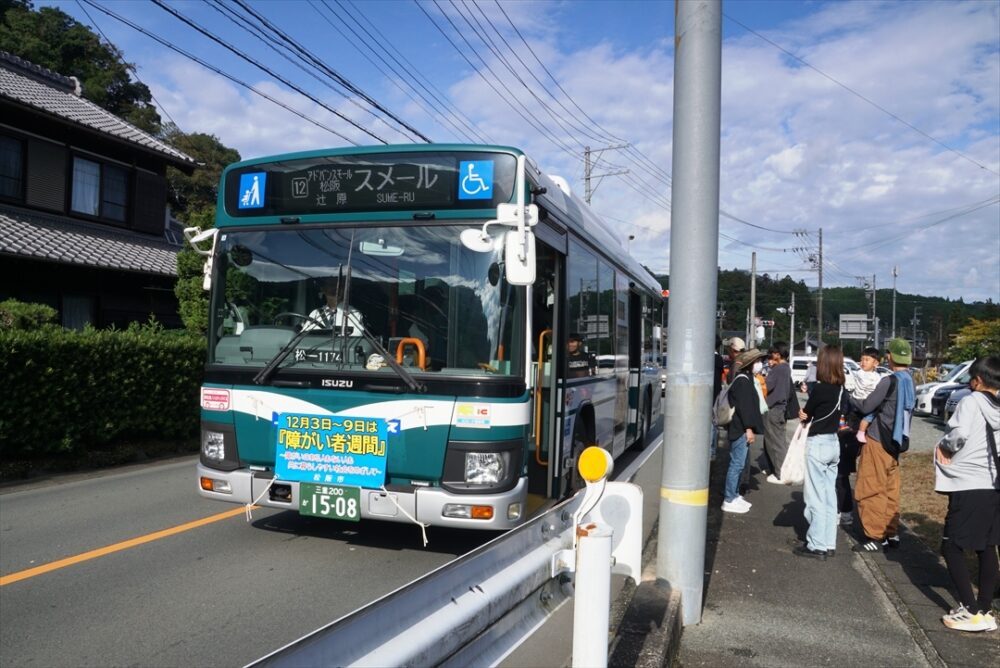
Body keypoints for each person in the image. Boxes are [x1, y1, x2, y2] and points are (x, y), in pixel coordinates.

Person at [934, 356, 1000, 633]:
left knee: (952, 546)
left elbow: (957, 435)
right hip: (994, 485)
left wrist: (945, 447)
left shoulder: (971, 401)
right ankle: (985, 609)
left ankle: (970, 609)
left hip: (968, 482)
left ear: (977, 380)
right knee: (986, 547)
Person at [849, 338, 915, 553]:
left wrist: (851, 399)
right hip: (896, 443)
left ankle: (874, 536)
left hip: (879, 439)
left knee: (870, 487)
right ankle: (891, 532)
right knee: (890, 489)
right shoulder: (910, 380)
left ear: (889, 356)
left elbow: (868, 404)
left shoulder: (889, 381)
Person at [794, 344, 848, 560]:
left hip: (817, 444)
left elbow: (806, 414)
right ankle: (828, 542)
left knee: (815, 496)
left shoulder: (820, 389)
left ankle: (816, 545)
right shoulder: (841, 388)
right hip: (834, 444)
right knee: (828, 496)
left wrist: (802, 413)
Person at [837, 347, 881, 526]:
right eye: (862, 359)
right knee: (843, 471)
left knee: (849, 471)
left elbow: (871, 407)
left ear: (876, 363)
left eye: (868, 360)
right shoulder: (853, 378)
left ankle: (848, 511)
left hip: (866, 428)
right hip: (850, 426)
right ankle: (844, 510)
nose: (863, 363)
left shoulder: (879, 382)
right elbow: (845, 402)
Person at [721, 348, 766, 514]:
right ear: (750, 364)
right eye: (757, 361)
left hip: (740, 428)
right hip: (740, 428)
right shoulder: (743, 381)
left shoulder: (746, 379)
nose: (760, 364)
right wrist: (749, 429)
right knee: (737, 464)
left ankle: (734, 495)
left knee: (738, 464)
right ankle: (729, 498)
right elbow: (744, 408)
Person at [763, 342, 792, 483]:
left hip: (774, 408)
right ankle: (777, 470)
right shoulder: (786, 368)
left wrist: (763, 377)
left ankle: (780, 473)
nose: (771, 357)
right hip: (781, 409)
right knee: (778, 440)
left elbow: (767, 386)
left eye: (772, 354)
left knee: (775, 442)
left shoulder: (778, 369)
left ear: (777, 354)